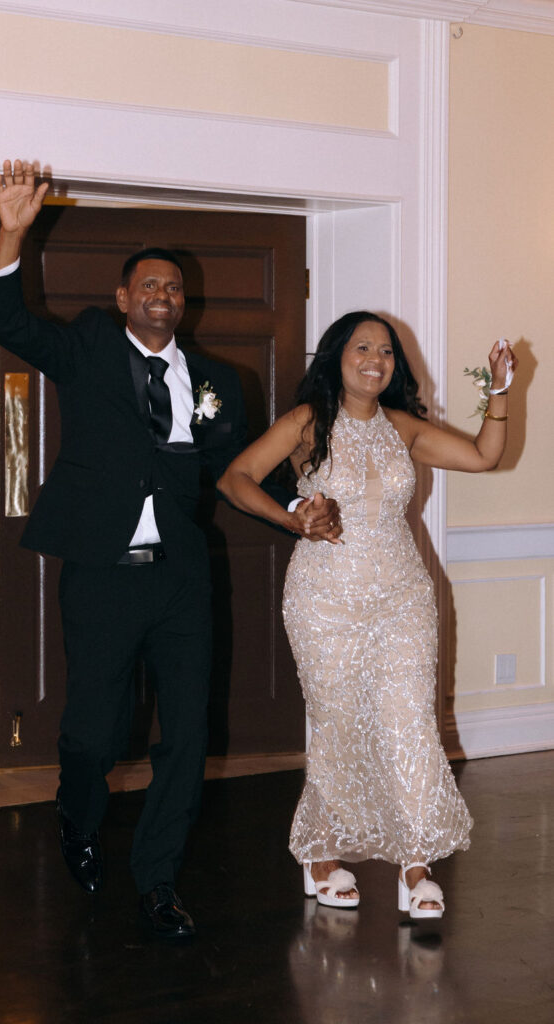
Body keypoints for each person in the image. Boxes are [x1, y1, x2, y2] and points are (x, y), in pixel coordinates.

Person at [0, 159, 342, 941]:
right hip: (102, 576)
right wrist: (12, 235)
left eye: (173, 288)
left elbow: (239, 469)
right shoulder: (88, 347)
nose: (161, 295)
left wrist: (294, 508)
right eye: (147, 285)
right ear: (122, 299)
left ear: (184, 303)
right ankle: (77, 816)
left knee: (185, 734)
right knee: (96, 732)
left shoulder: (216, 379)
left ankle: (157, 883)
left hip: (181, 580)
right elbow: (10, 324)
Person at [219, 310, 517, 919]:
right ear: (337, 357)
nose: (375, 359)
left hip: (404, 596)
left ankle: (415, 864)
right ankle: (322, 854)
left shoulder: (403, 427)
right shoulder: (308, 422)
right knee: (342, 724)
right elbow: (236, 478)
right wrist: (293, 516)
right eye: (362, 347)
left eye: (386, 351)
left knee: (411, 725)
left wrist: (500, 390)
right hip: (324, 598)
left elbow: (486, 455)